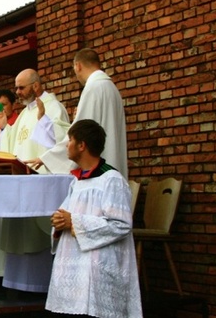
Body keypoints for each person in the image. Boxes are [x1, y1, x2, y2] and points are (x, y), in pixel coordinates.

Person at [45, 119, 142, 317]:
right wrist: (58, 222)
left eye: (70, 140)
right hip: (73, 265)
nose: (66, 145)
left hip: (98, 265)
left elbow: (121, 225)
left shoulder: (112, 179)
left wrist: (74, 222)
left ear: (82, 145)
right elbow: (65, 215)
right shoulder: (77, 181)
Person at [0, 68, 70, 293]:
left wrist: (46, 124)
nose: (17, 92)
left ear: (36, 86)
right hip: (22, 182)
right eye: (16, 87)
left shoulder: (52, 107)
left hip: (40, 183)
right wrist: (5, 127)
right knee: (20, 233)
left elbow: (63, 142)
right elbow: (12, 146)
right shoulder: (27, 112)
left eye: (21, 87)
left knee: (35, 237)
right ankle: (17, 287)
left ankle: (41, 287)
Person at [30, 48, 129, 179]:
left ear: (78, 66)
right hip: (113, 165)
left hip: (99, 172)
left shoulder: (92, 89)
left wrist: (48, 158)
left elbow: (80, 132)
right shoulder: (112, 88)